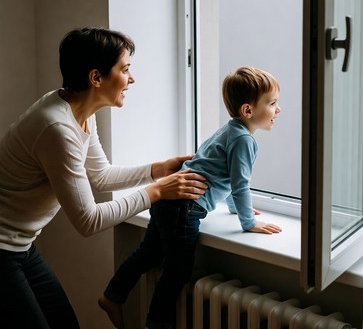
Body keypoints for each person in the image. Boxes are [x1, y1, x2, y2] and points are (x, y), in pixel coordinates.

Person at [0, 27, 208, 329]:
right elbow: (88, 221)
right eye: (125, 70)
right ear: (96, 78)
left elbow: (99, 175)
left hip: (21, 247)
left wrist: (157, 169)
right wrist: (156, 192)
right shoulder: (57, 128)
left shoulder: (78, 111)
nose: (131, 79)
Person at [99, 66, 283, 329]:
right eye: (273, 103)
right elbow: (240, 183)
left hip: (169, 198)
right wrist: (247, 222)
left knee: (148, 253)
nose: (278, 110)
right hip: (185, 207)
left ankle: (111, 295)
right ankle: (156, 323)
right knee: (178, 269)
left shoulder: (228, 130)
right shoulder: (245, 140)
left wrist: (234, 207)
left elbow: (227, 178)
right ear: (248, 111)